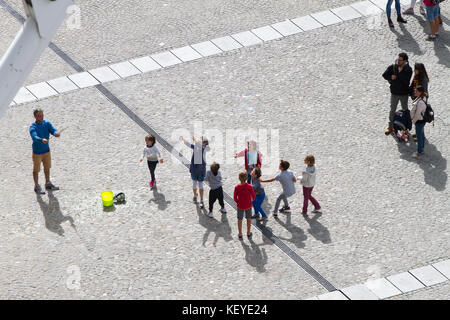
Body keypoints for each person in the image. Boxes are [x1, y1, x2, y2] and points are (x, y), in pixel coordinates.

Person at [29, 107, 61, 194]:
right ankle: (36, 186)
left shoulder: (46, 123)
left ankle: (48, 183)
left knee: (47, 168)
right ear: (35, 117)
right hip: (37, 153)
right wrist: (41, 139)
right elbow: (34, 136)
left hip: (46, 151)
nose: (41, 117)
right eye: (39, 116)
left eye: (42, 115)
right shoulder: (33, 127)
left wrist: (56, 133)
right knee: (36, 170)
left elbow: (53, 130)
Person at [382, 53, 413, 135]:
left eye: (400, 60)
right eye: (398, 59)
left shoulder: (408, 69)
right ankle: (390, 126)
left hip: (404, 94)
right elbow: (384, 75)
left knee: (405, 111)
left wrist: (398, 75)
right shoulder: (393, 67)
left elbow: (406, 81)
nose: (398, 61)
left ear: (405, 61)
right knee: (392, 110)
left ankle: (405, 128)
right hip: (394, 93)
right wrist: (390, 77)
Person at [181, 136, 209, 209]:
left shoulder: (204, 149)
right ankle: (195, 195)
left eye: (201, 140)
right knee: (194, 185)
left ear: (204, 143)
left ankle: (202, 200)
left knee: (200, 185)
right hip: (194, 169)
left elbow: (198, 145)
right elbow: (189, 145)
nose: (199, 140)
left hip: (200, 171)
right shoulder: (196, 147)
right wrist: (184, 140)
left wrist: (195, 140)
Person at [234, 171, 256, 240]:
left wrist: (238, 202)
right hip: (248, 205)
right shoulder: (249, 186)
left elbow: (235, 198)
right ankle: (248, 233)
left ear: (239, 178)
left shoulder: (237, 187)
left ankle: (240, 234)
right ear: (246, 178)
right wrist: (250, 200)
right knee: (248, 219)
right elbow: (254, 197)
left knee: (239, 219)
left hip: (240, 206)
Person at [410, 86, 428, 158]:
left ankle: (419, 152)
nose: (415, 92)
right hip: (421, 120)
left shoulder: (420, 102)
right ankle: (422, 148)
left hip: (419, 121)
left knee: (419, 136)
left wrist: (413, 121)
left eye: (416, 91)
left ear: (420, 92)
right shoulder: (422, 98)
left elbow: (418, 114)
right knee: (421, 134)